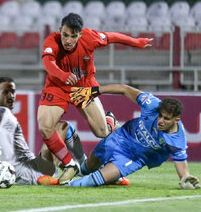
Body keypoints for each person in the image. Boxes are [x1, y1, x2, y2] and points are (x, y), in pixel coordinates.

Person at [38, 13, 152, 184]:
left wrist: (136, 42)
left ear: (80, 34)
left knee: (101, 132)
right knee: (45, 126)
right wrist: (62, 75)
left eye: (73, 36)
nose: (68, 40)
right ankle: (70, 164)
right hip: (58, 86)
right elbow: (48, 64)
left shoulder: (90, 37)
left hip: (84, 87)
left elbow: (113, 37)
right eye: (65, 35)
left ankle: (109, 121)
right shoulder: (51, 41)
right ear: (60, 30)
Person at [68, 84, 201, 190]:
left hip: (136, 158)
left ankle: (66, 185)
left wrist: (185, 178)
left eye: (166, 119)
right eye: (160, 116)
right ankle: (114, 130)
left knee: (96, 180)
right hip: (122, 136)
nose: (160, 120)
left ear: (176, 120)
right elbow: (124, 89)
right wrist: (93, 91)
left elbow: (181, 164)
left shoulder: (177, 139)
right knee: (88, 166)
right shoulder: (152, 104)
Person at [0, 77, 86, 185]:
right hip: (31, 170)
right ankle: (81, 165)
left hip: (16, 173)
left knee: (54, 140)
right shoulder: (1, 112)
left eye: (13, 92)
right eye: (6, 92)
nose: (11, 96)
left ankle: (70, 166)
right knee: (63, 126)